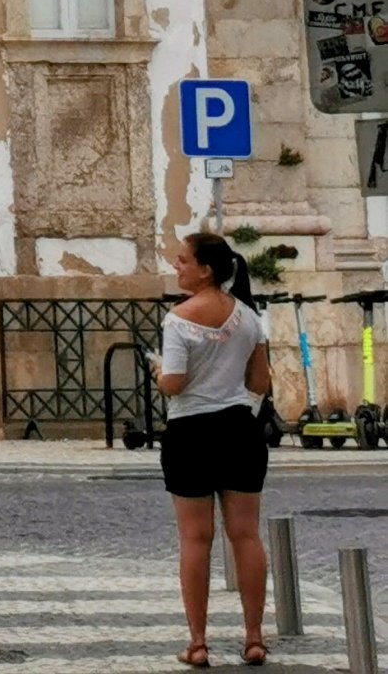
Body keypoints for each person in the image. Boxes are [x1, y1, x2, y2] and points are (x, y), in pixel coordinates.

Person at [154, 230, 272, 668]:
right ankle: (254, 638)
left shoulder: (178, 319)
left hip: (190, 432)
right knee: (246, 535)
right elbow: (260, 381)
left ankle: (199, 642)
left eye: (183, 260)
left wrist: (157, 371)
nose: (177, 266)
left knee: (195, 538)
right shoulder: (248, 317)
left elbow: (173, 384)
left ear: (205, 270)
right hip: (239, 431)